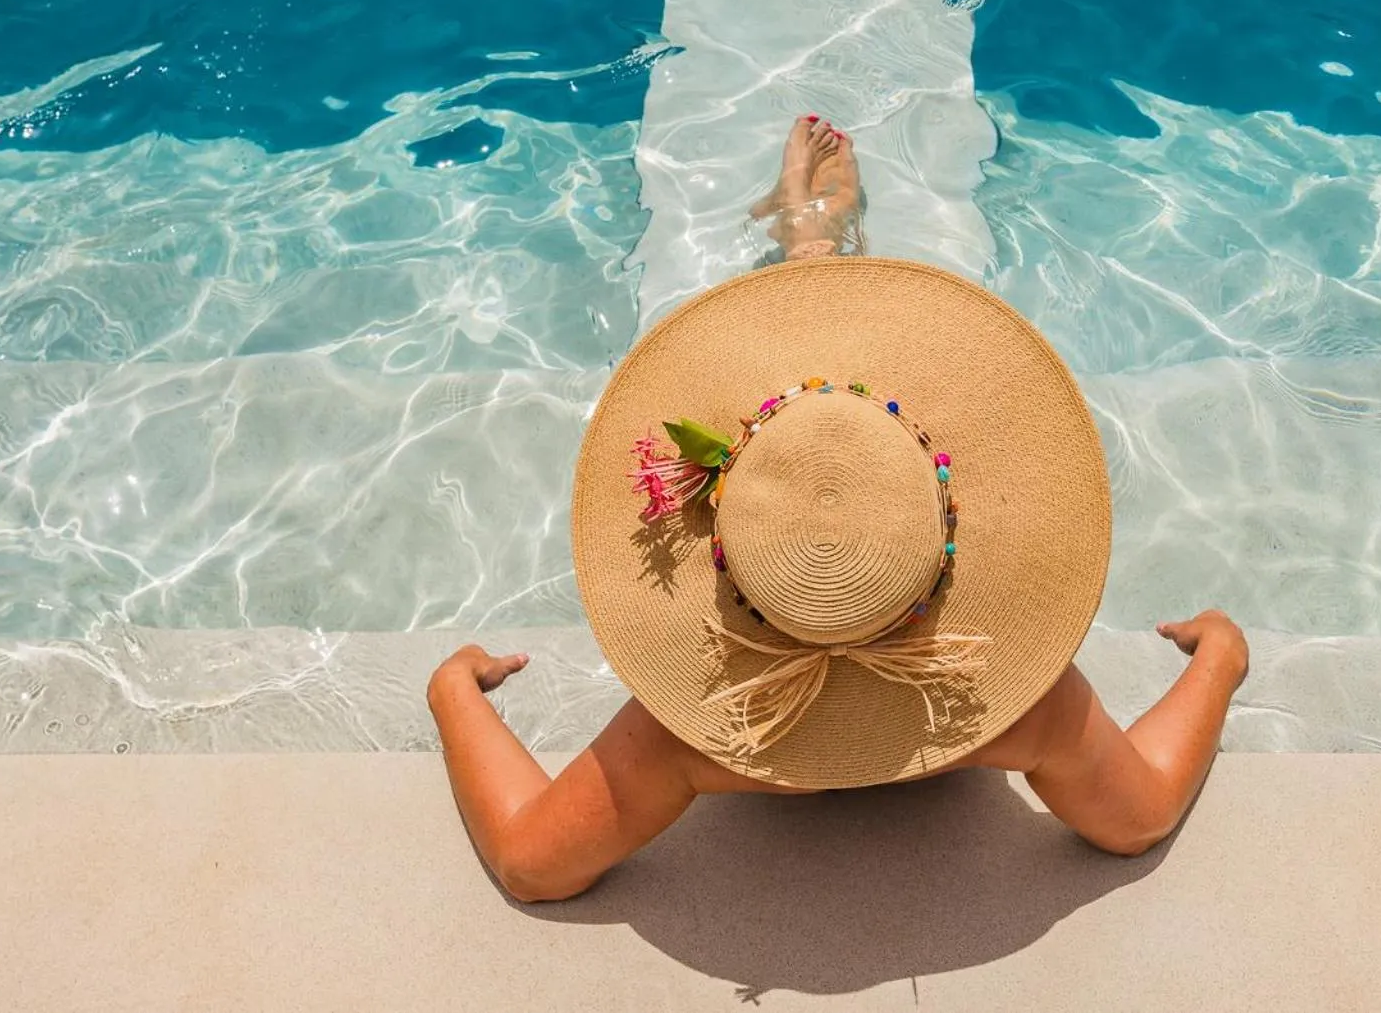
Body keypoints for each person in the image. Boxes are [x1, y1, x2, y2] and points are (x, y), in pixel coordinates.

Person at [427, 116, 1250, 904]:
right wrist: (1220, 655)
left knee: (821, 442)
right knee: (842, 445)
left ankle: (809, 240)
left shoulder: (685, 736)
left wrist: (454, 690)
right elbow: (1139, 817)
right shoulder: (1031, 709)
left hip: (742, 693)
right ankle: (814, 240)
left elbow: (532, 864)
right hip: (954, 665)